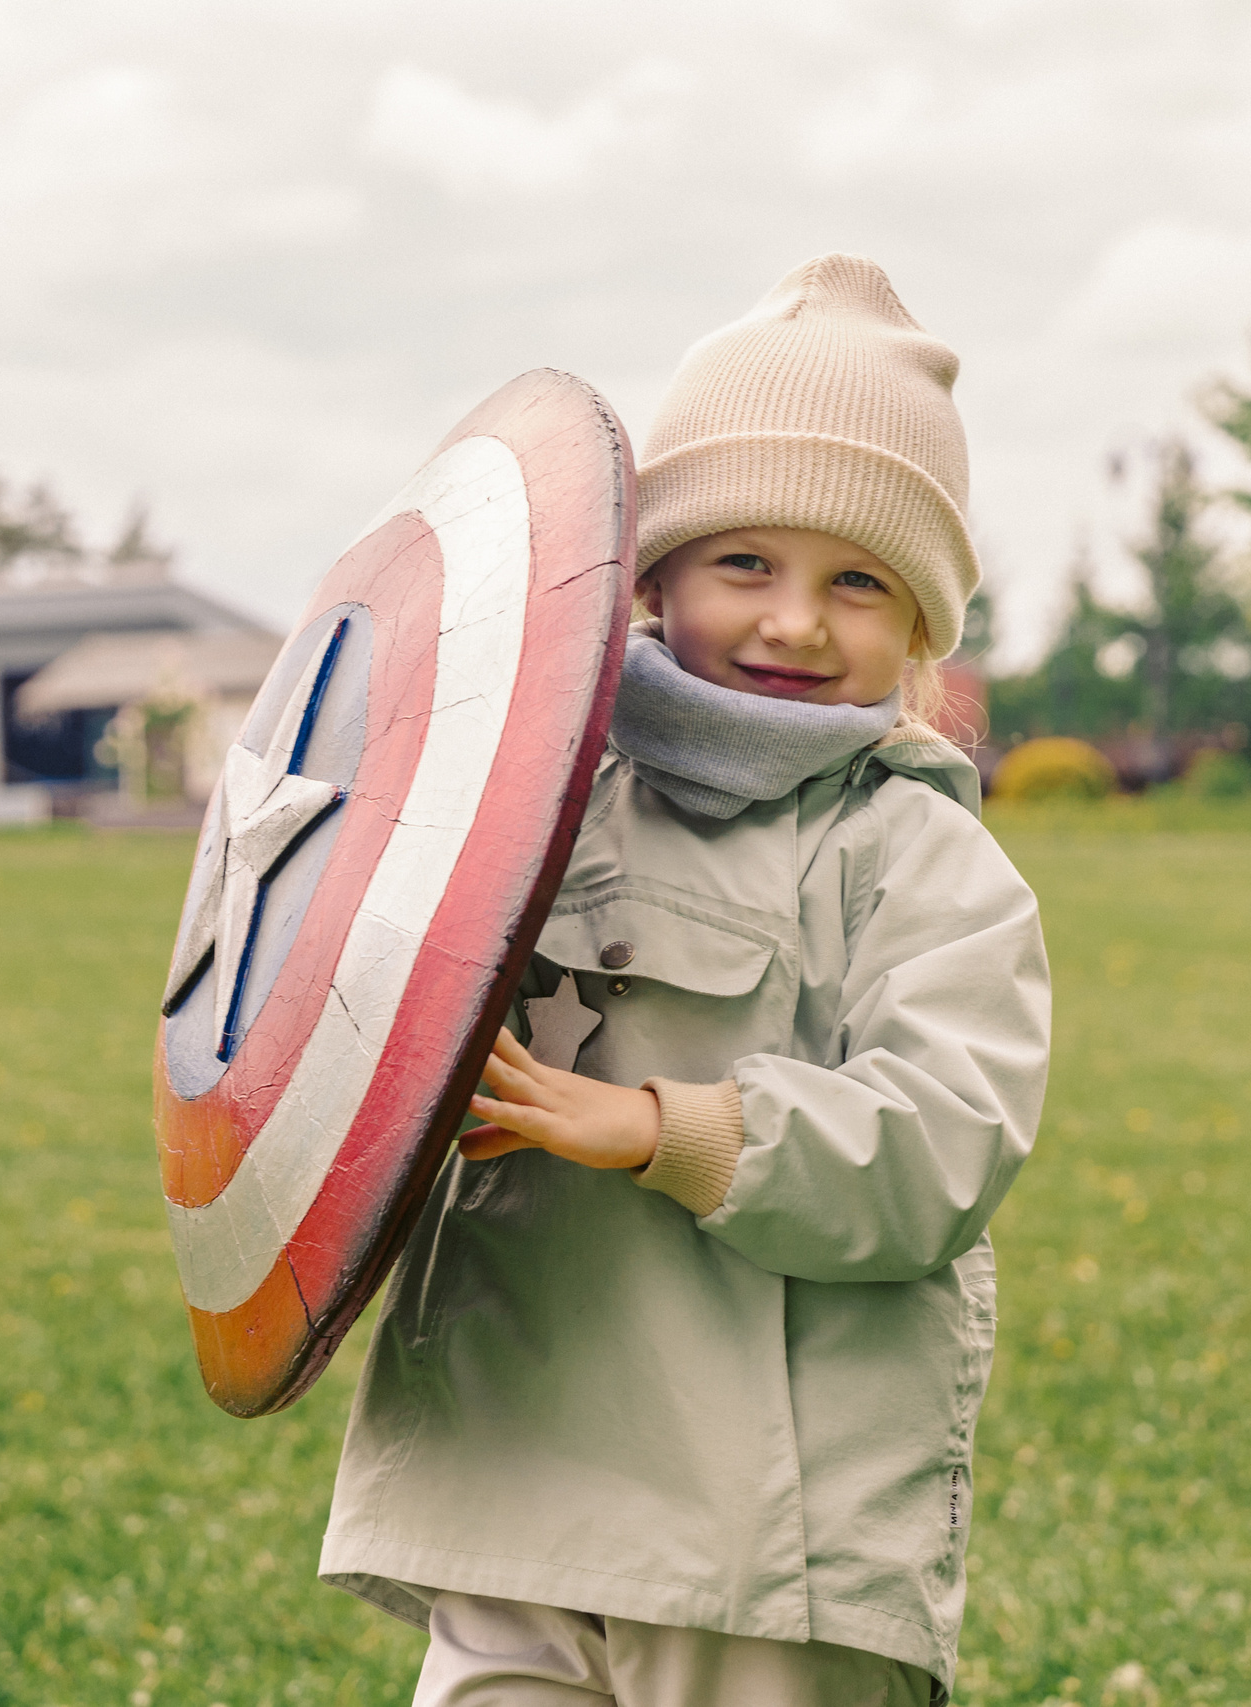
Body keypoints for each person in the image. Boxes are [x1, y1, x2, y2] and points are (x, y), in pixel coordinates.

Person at [320, 254, 1053, 1706]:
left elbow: (942, 1146)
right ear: (652, 575)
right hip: (513, 1471)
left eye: (857, 581)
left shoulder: (916, 857)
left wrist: (669, 1127)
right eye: (745, 565)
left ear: (921, 625)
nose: (795, 621)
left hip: (761, 1553)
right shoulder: (533, 805)